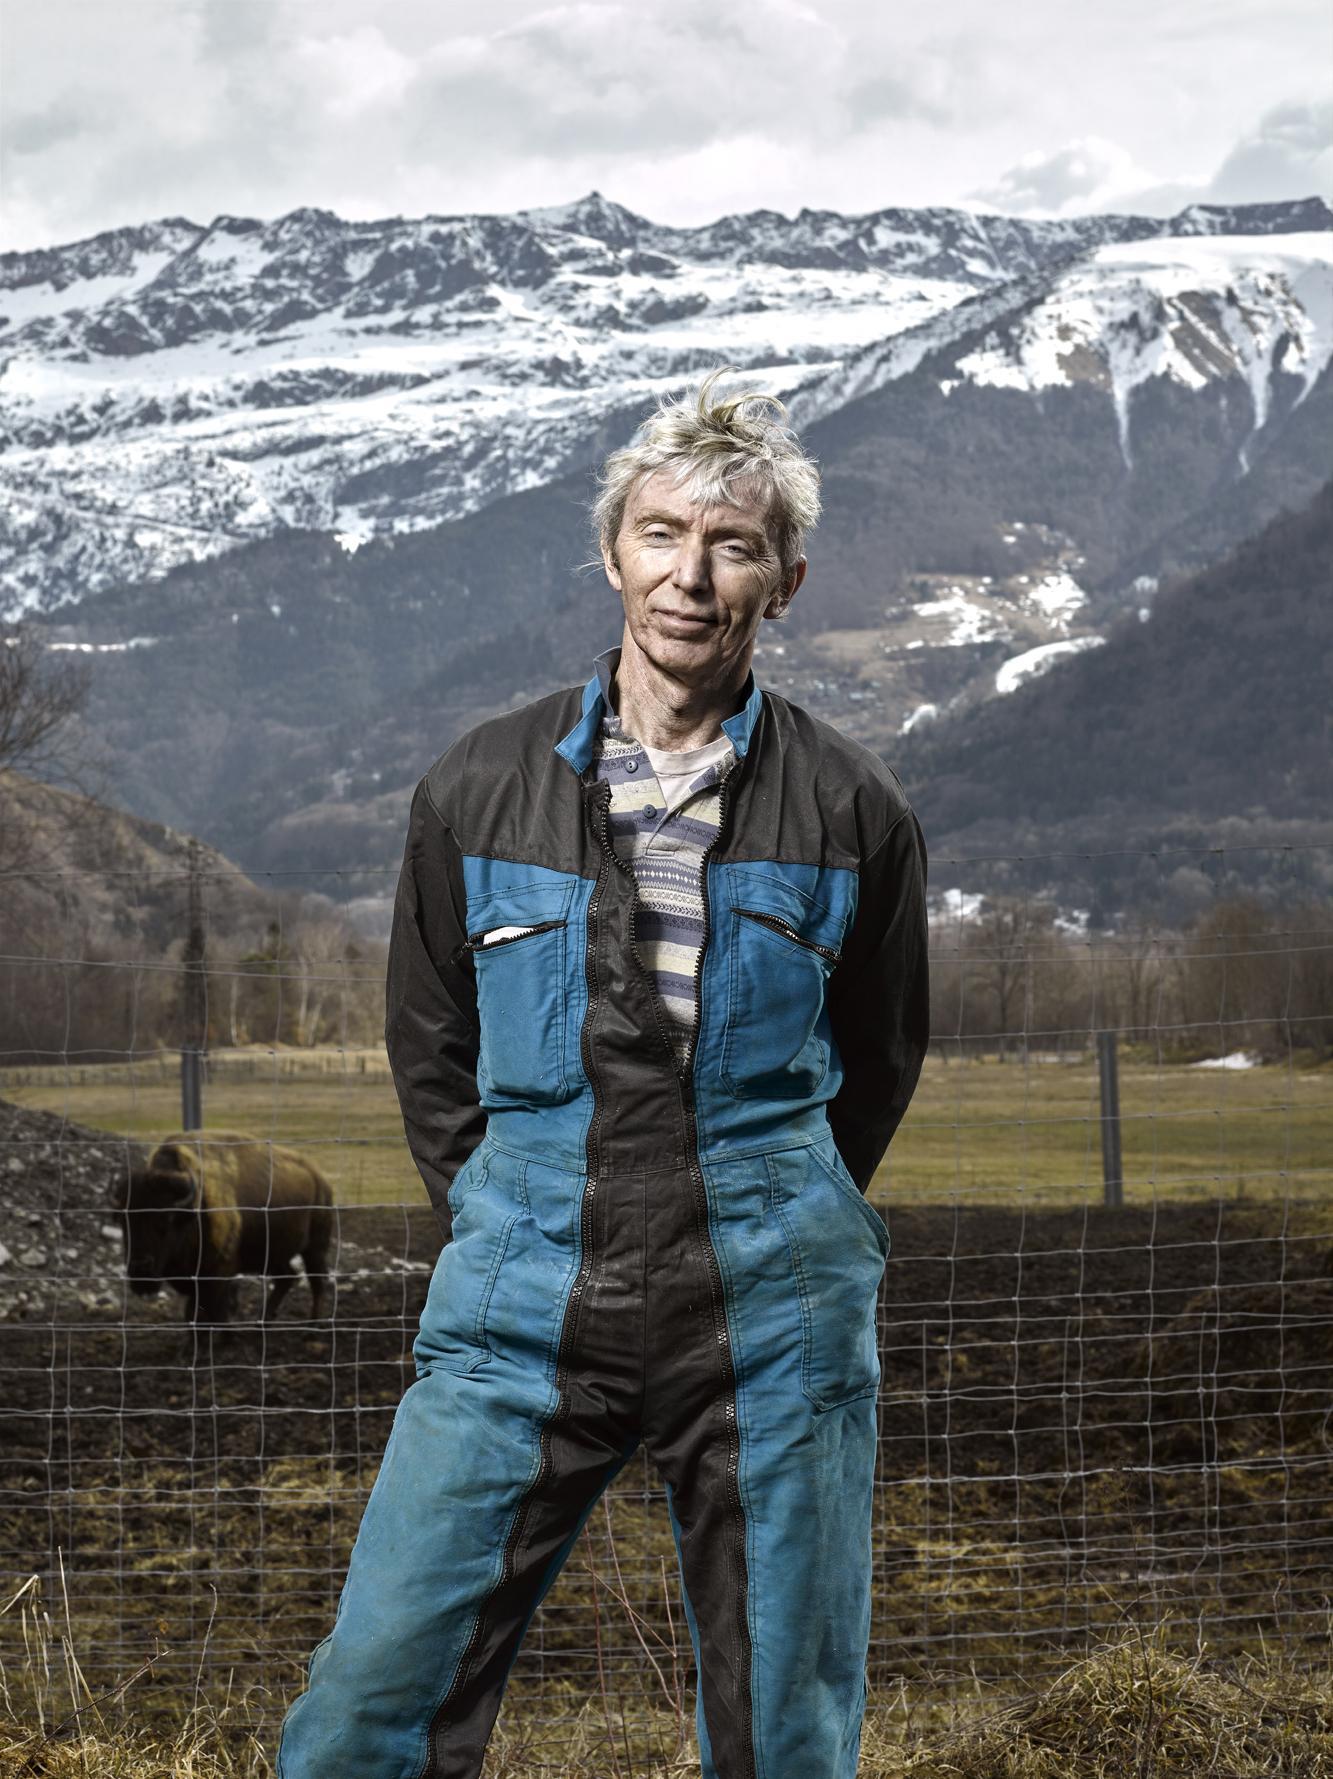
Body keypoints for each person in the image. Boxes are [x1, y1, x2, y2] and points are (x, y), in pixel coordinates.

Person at [277, 370, 930, 1779]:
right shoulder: (476, 785)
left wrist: (770, 1206)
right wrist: (515, 1211)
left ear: (786, 580)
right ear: (611, 552)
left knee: (785, 1728)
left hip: (770, 1304)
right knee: (368, 1704)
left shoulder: (853, 809)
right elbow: (429, 1042)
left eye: (734, 546)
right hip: (520, 1292)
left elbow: (874, 1060)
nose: (690, 577)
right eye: (660, 537)